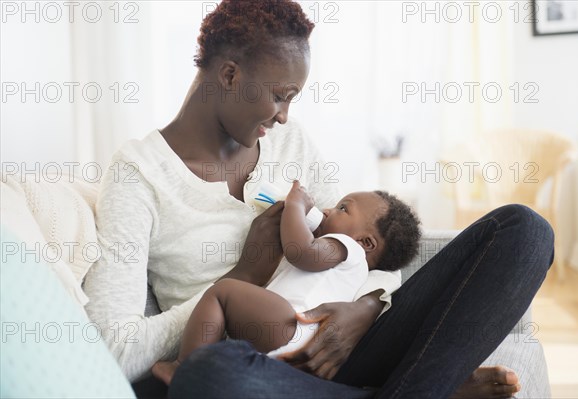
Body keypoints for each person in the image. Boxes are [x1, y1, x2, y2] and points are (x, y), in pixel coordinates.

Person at [83, 0, 554, 398]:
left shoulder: (293, 146)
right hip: (256, 369)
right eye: (280, 96)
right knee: (211, 374)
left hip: (351, 346)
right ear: (229, 75)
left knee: (524, 231)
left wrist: (365, 311)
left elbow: (366, 250)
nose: (286, 116)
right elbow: (115, 349)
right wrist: (243, 274)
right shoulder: (138, 175)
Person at [151, 182, 422, 385]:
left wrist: (295, 205)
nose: (328, 210)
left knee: (223, 293)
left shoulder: (347, 248)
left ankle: (183, 366)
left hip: (293, 328)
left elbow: (299, 251)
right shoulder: (351, 266)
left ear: (366, 243)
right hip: (297, 351)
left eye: (342, 208)